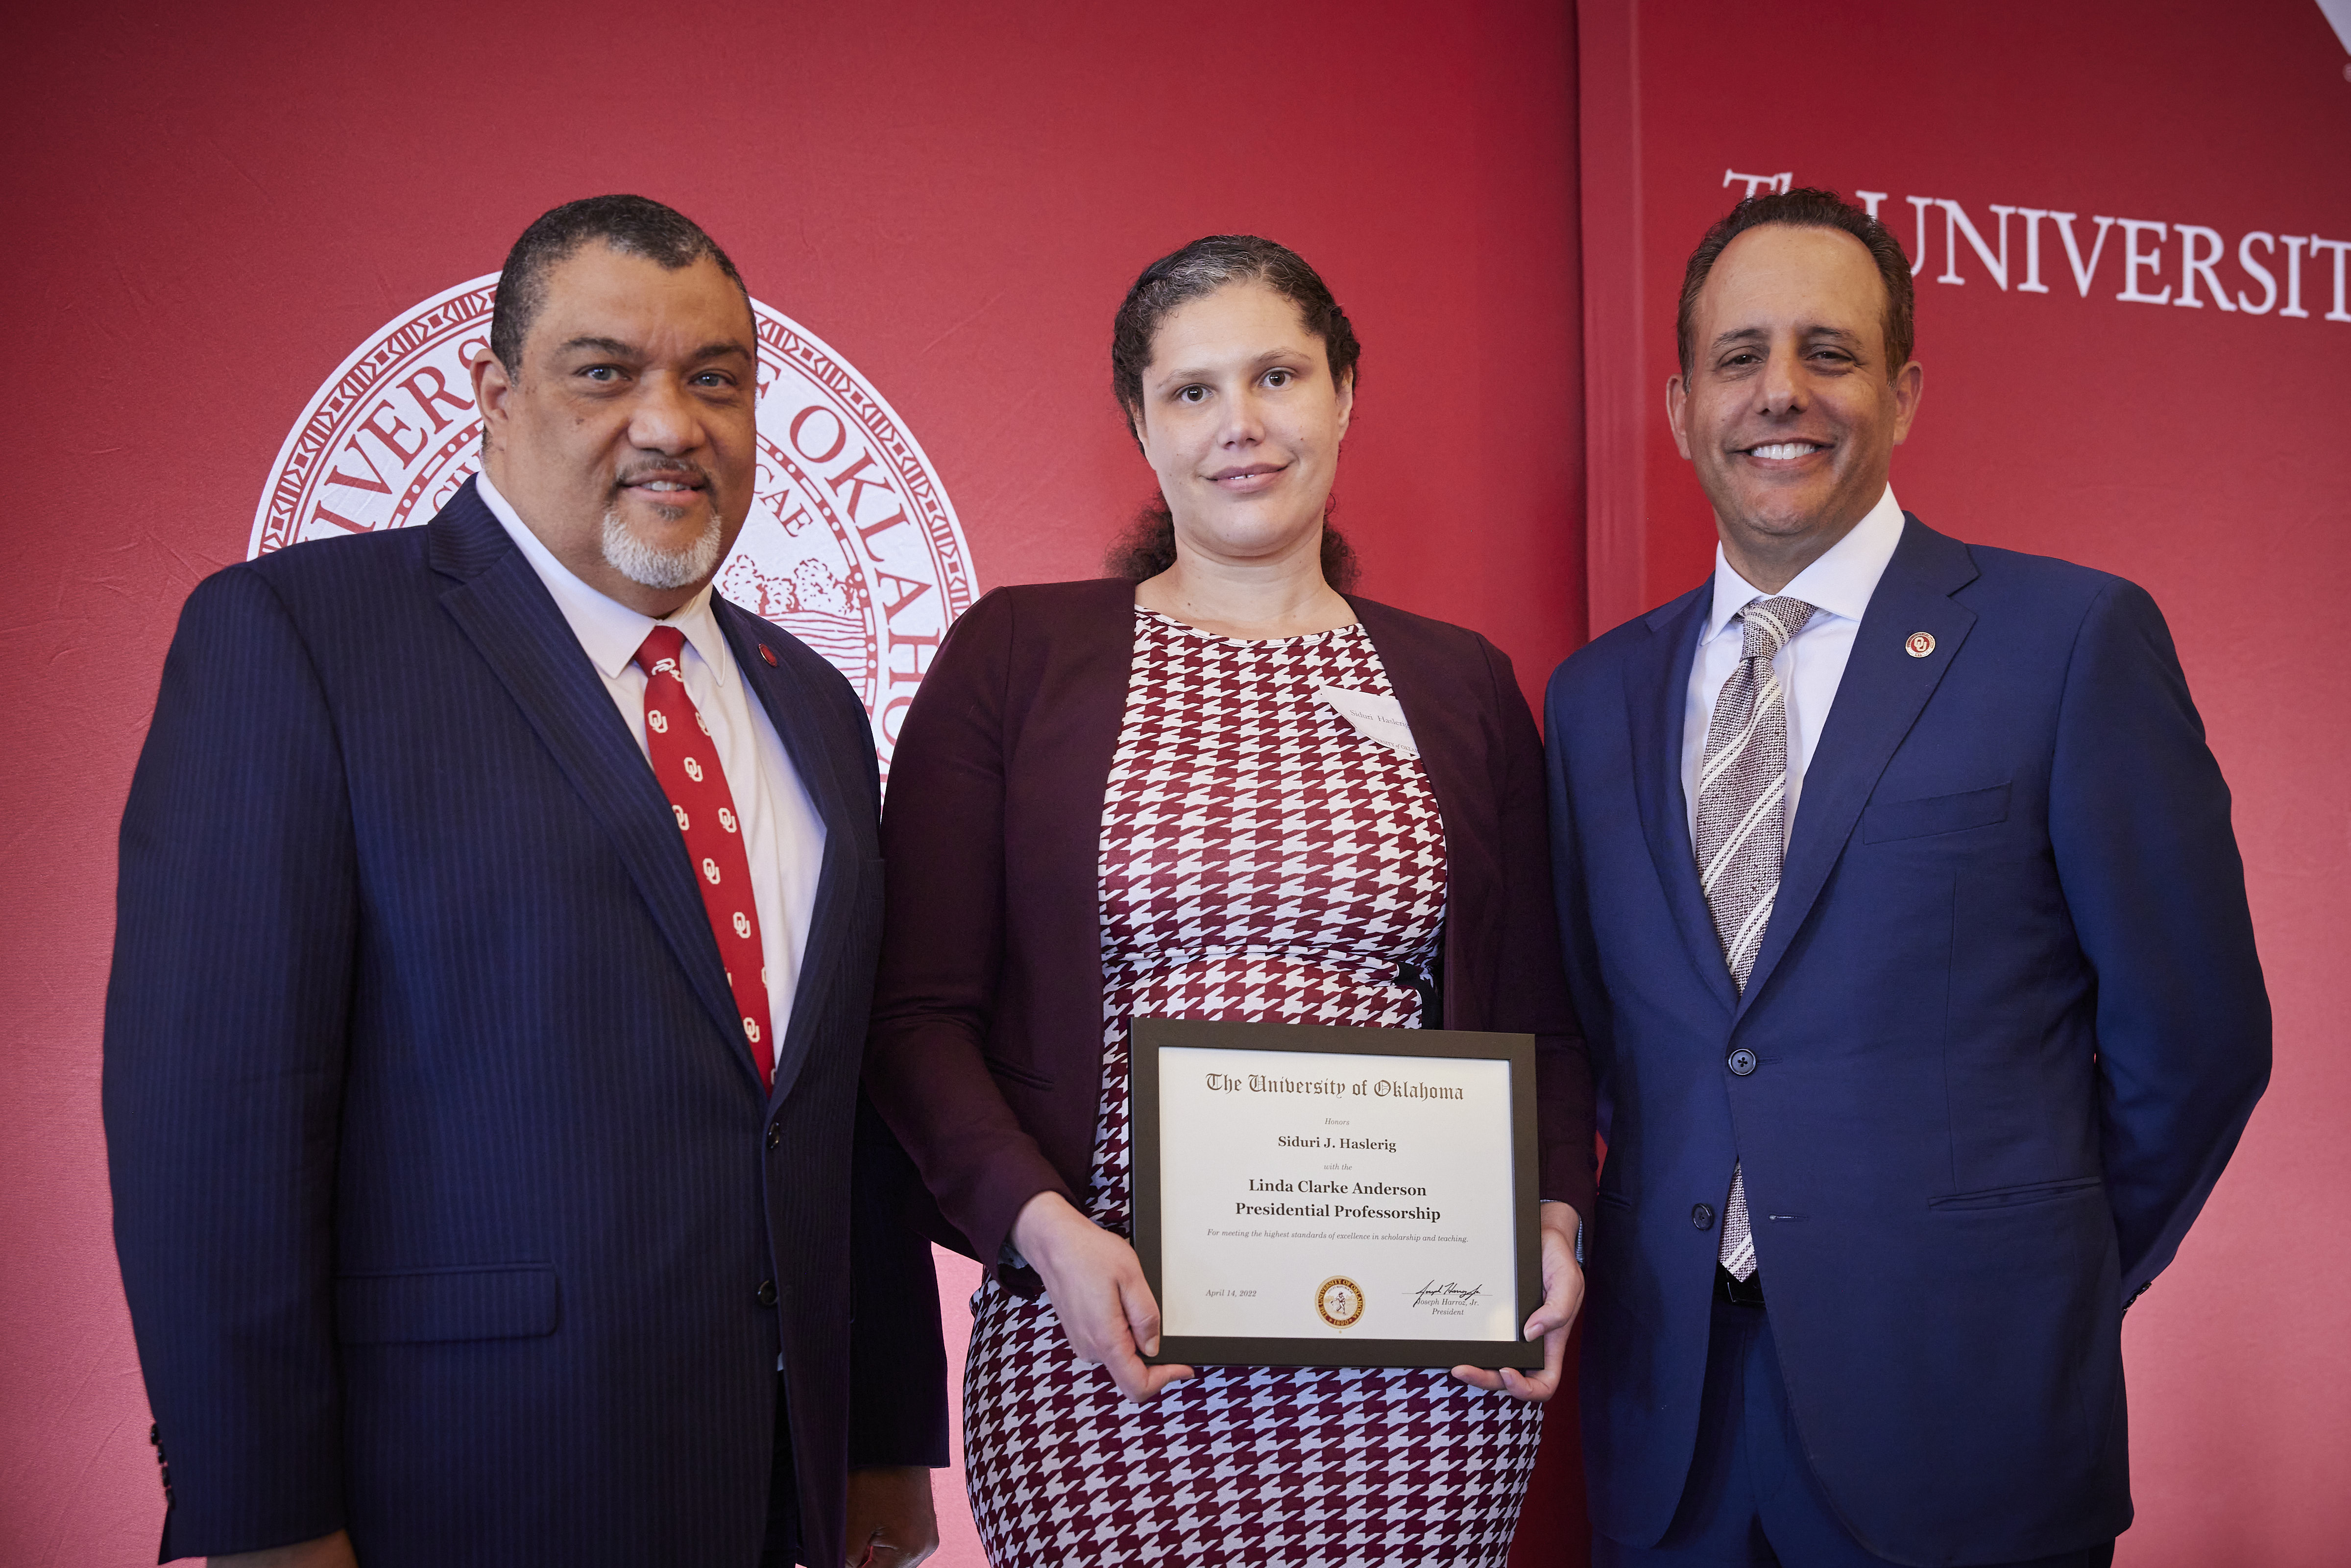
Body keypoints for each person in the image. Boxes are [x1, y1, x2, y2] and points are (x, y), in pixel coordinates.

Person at [104, 195, 945, 1568]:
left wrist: (882, 1439)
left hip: (775, 1497)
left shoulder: (819, 707)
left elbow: (840, 1118)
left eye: (715, 378)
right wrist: (263, 1517)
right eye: (606, 370)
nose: (672, 422)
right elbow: (215, 1128)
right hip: (455, 1490)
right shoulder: (299, 642)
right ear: (494, 396)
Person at [1544, 187, 2271, 1567]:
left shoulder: (2068, 642)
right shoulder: (1595, 699)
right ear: (1681, 400)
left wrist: (2032, 1282)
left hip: (1970, 1419)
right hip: (1673, 1441)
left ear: (1906, 389)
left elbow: (2199, 1040)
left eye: (1831, 352)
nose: (1781, 394)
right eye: (1739, 356)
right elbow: (1611, 1037)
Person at [862, 234, 1595, 1565]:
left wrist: (1546, 1222)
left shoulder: (1464, 686)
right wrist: (1044, 1237)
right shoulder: (1015, 659)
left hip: (1421, 1380)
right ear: (1137, 422)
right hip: (1108, 1345)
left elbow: (1542, 1022)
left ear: (1345, 392)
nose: (1241, 426)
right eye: (1192, 391)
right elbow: (916, 1017)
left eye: (1277, 375)